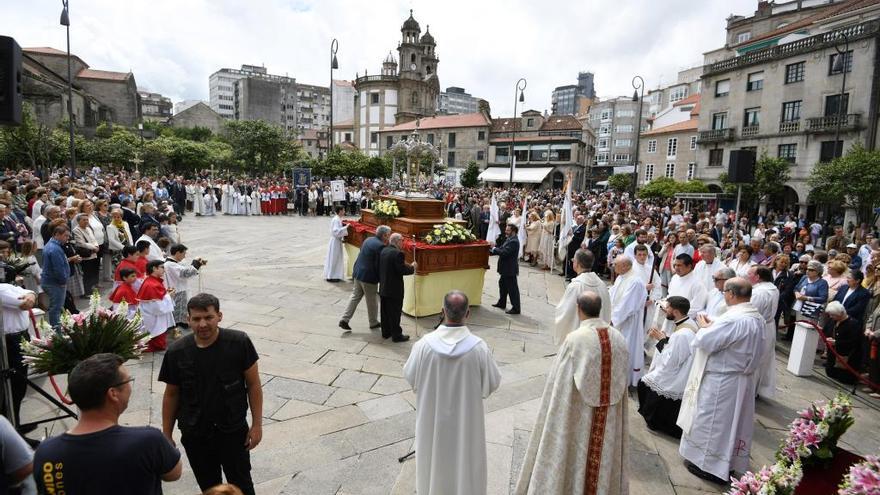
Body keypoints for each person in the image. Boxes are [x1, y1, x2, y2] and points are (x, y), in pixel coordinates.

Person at [514, 291, 628, 494]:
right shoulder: (620, 339)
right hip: (607, 422)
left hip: (577, 418)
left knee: (573, 452)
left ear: (578, 309)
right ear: (599, 309)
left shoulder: (575, 341)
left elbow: (560, 388)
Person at [33, 353, 182, 494]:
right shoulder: (148, 441)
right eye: (128, 381)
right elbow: (174, 473)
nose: (130, 387)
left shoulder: (46, 452)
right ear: (113, 394)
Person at [159, 293, 262, 495]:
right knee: (209, 487)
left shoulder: (238, 342)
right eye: (196, 319)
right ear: (188, 319)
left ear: (219, 316)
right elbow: (171, 394)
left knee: (242, 484)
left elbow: (253, 384)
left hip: (232, 429)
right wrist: (166, 433)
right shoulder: (177, 351)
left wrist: (257, 425)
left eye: (208, 317)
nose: (203, 324)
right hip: (195, 432)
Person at [403, 291, 501, 495]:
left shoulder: (423, 346)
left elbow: (411, 377)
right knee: (465, 468)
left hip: (432, 423)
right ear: (467, 314)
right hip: (467, 425)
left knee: (432, 467)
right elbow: (492, 383)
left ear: (442, 312)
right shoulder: (479, 349)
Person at [678, 277, 765, 485]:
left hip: (722, 380)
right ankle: (727, 462)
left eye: (725, 291)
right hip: (741, 380)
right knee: (731, 425)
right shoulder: (755, 317)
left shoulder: (733, 319)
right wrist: (712, 326)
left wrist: (703, 327)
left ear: (732, 294)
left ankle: (709, 466)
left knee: (713, 422)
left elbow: (704, 340)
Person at [638, 296, 698, 438]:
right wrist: (666, 340)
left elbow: (670, 362)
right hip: (683, 370)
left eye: (668, 308)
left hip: (677, 374)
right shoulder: (690, 323)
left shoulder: (682, 334)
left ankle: (655, 423)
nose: (665, 310)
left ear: (676, 312)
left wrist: (661, 340)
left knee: (644, 383)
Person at [0, 283, 37, 434]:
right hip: (9, 341)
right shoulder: (3, 290)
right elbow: (24, 303)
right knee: (12, 387)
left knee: (19, 385)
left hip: (20, 337)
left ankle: (15, 423)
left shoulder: (6, 286)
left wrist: (30, 295)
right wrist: (29, 296)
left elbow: (30, 293)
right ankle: (11, 430)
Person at [339, 225, 390, 333]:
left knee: (355, 297)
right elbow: (380, 264)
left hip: (358, 272)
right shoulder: (381, 246)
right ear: (384, 235)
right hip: (368, 277)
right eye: (388, 235)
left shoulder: (368, 239)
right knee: (372, 300)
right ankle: (373, 322)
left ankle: (344, 319)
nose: (388, 238)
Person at [554, 249, 611, 344]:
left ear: (577, 263)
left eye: (574, 260)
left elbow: (565, 313)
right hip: (598, 338)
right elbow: (607, 310)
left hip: (579, 337)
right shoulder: (602, 284)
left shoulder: (575, 286)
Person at [609, 255, 648, 387]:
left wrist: (613, 319)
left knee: (627, 347)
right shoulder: (621, 276)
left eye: (616, 265)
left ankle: (625, 379)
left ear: (626, 266)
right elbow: (613, 294)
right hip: (618, 318)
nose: (613, 267)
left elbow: (627, 305)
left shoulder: (635, 282)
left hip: (628, 322)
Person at [748, 265, 780, 400]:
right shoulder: (772, 288)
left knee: (756, 360)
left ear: (758, 277)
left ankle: (750, 391)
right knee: (763, 360)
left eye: (750, 273)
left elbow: (751, 312)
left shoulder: (760, 292)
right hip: (768, 326)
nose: (747, 275)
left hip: (759, 327)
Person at [379, 233, 416, 342]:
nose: (403, 243)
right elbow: (402, 270)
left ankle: (386, 332)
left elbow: (395, 265)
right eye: (402, 240)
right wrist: (412, 268)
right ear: (397, 241)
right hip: (394, 289)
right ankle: (396, 335)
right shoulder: (398, 253)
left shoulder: (384, 250)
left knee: (385, 312)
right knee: (395, 312)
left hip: (384, 286)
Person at [40, 224, 74, 329]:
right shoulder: (55, 249)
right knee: (56, 309)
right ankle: (57, 332)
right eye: (66, 236)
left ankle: (57, 328)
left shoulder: (51, 245)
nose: (67, 239)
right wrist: (63, 281)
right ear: (57, 235)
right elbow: (58, 269)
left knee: (56, 308)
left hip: (51, 282)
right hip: (55, 283)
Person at [138, 260, 176, 352]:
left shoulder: (152, 280)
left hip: (152, 313)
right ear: (154, 268)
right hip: (153, 315)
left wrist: (166, 294)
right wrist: (169, 296)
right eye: (162, 267)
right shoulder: (151, 285)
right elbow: (157, 307)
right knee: (157, 340)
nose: (164, 270)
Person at [822, 301, 863, 385]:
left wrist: (836, 342)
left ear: (840, 314)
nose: (830, 317)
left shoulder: (854, 324)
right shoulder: (832, 320)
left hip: (846, 357)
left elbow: (854, 342)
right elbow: (826, 330)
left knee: (844, 378)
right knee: (830, 373)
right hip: (833, 356)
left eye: (832, 315)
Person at [164, 244, 205, 328]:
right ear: (178, 253)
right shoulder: (170, 264)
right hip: (178, 291)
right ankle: (179, 328)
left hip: (179, 289)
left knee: (182, 311)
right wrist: (195, 263)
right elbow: (185, 273)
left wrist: (197, 265)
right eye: (184, 254)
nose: (184, 256)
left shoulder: (173, 263)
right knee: (179, 313)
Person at [490, 224, 521, 315]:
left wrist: (494, 248)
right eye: (506, 230)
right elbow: (502, 249)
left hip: (509, 269)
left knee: (512, 289)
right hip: (505, 269)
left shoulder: (514, 241)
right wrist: (492, 250)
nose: (505, 232)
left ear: (513, 231)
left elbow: (504, 252)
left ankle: (516, 308)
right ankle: (502, 303)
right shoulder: (510, 239)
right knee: (502, 285)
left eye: (508, 230)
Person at [323, 206, 348, 282]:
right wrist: (346, 227)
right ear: (340, 211)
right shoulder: (336, 219)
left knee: (336, 258)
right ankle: (331, 276)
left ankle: (335, 275)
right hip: (335, 241)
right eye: (343, 210)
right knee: (334, 258)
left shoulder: (338, 219)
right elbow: (335, 231)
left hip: (336, 241)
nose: (344, 212)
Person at [562, 215, 586, 280]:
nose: (577, 220)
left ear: (582, 220)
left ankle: (572, 275)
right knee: (566, 259)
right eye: (577, 218)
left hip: (575, 247)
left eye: (579, 219)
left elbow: (580, 239)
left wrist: (572, 235)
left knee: (573, 261)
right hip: (570, 246)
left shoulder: (583, 228)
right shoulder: (576, 227)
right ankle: (565, 272)